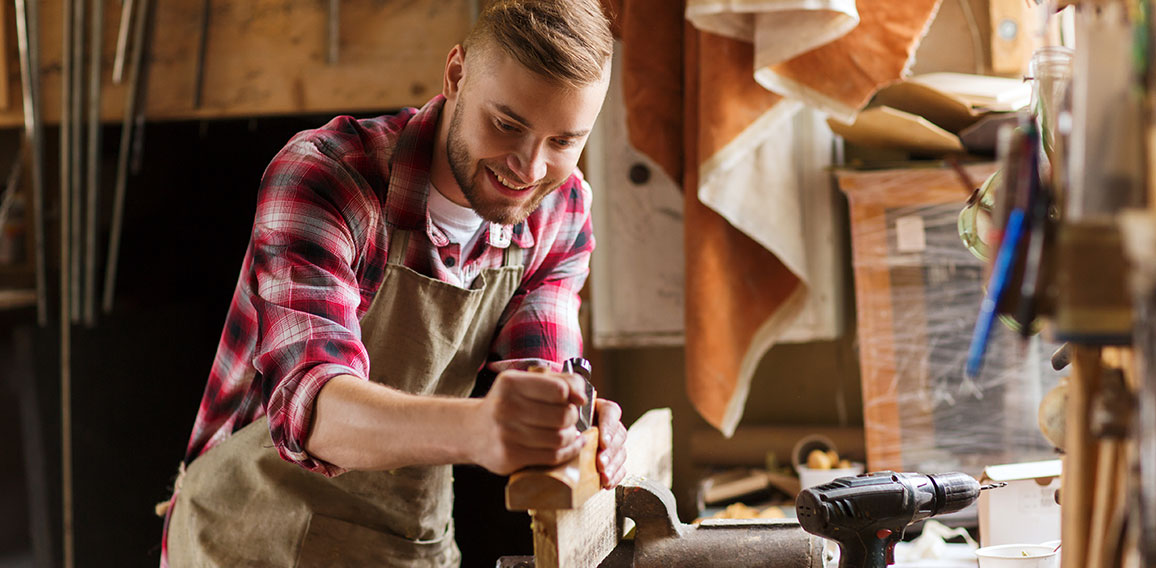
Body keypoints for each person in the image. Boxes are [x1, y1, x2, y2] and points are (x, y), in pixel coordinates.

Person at [160, 1, 626, 565]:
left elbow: (542, 376)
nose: (528, 169)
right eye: (507, 125)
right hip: (245, 534)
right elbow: (314, 410)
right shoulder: (327, 177)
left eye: (563, 142)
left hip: (404, 544)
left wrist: (572, 422)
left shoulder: (560, 209)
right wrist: (481, 428)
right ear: (455, 75)